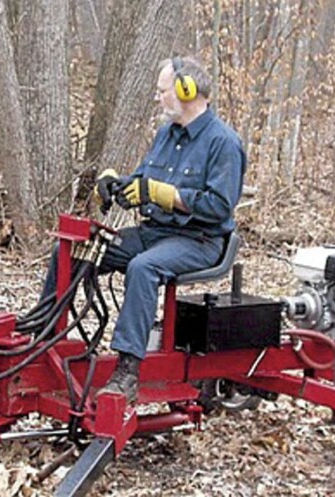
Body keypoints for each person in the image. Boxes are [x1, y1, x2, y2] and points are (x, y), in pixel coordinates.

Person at [41, 55, 247, 403]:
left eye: (162, 90)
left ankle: (127, 370)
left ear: (187, 90)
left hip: (199, 239)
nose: (158, 97)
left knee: (144, 267)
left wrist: (162, 195)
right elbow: (144, 181)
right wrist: (114, 184)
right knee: (72, 249)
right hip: (156, 233)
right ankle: (44, 332)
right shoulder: (168, 133)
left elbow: (218, 207)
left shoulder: (223, 142)